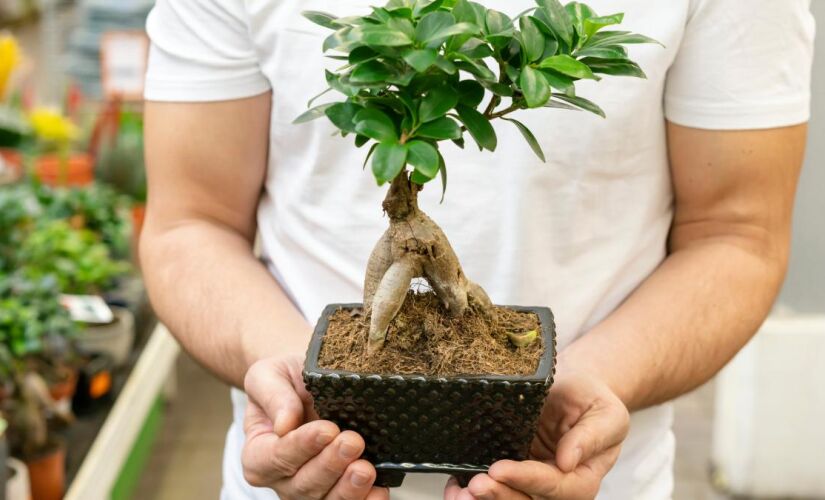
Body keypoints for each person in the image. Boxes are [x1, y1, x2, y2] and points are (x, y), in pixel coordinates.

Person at [140, 0, 815, 498]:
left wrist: (588, 385)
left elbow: (736, 235)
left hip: (597, 479)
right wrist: (291, 381)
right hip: (292, 481)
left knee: (434, 271)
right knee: (407, 252)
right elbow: (189, 224)